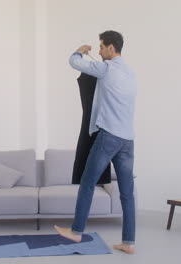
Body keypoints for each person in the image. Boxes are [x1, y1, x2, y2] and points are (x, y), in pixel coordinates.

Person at [54, 30, 137, 254]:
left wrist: (80, 51)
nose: (99, 52)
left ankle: (76, 231)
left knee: (87, 182)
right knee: (127, 192)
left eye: (101, 47)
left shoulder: (107, 68)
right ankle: (129, 242)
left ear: (111, 48)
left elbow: (74, 62)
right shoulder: (131, 73)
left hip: (108, 136)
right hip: (127, 140)